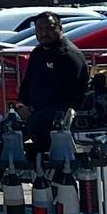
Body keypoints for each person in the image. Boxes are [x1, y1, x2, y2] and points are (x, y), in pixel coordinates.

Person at [18, 12, 89, 159]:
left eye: (49, 28)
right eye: (40, 29)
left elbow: (66, 94)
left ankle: (49, 172)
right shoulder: (37, 53)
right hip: (35, 110)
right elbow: (28, 82)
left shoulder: (69, 55)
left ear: (60, 28)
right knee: (4, 133)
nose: (44, 33)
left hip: (60, 113)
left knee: (36, 125)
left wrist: (32, 109)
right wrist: (22, 104)